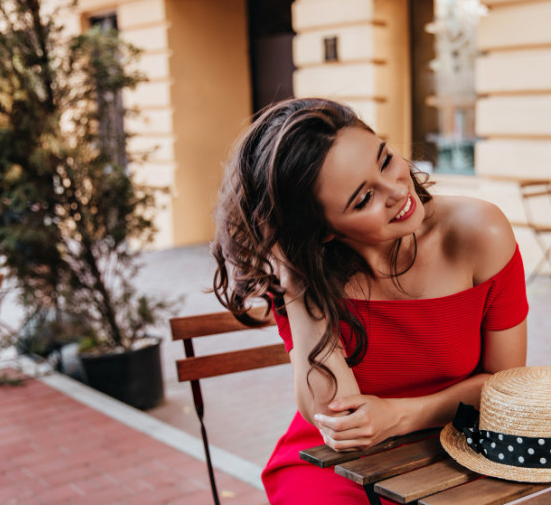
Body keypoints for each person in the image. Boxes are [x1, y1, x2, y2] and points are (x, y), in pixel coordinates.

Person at [212, 98, 528, 504]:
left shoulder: (479, 232)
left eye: (385, 160)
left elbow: (505, 386)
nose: (397, 190)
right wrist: (295, 283)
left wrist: (399, 416)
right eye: (363, 199)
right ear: (323, 230)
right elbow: (338, 418)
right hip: (338, 463)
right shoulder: (301, 273)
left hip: (462, 443)